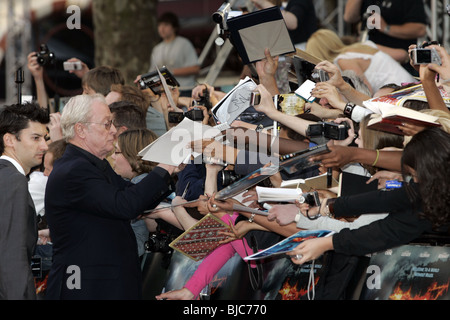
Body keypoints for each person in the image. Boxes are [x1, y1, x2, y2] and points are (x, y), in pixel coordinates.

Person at [44, 94, 177, 300]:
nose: (113, 131)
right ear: (81, 130)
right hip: (85, 285)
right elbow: (125, 205)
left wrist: (172, 175)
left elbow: (133, 195)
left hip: (103, 282)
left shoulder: (94, 165)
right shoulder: (75, 170)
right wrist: (165, 167)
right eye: (106, 124)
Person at [272, 127, 450, 266]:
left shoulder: (430, 202)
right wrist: (326, 207)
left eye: (415, 175)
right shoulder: (430, 185)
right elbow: (383, 200)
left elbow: (383, 232)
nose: (413, 181)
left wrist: (326, 244)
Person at [0, 102, 49, 300]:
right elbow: (12, 255)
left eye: (45, 138)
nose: (44, 146)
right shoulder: (13, 180)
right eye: (35, 138)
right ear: (10, 140)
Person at [305, 29, 416, 95]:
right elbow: (402, 54)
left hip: (399, 94)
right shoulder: (365, 45)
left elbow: (366, 91)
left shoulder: (343, 61)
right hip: (411, 85)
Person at [343, 0, 427, 66]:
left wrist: (386, 28)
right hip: (368, 59)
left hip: (397, 61)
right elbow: (348, 17)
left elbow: (420, 29)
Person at [147, 12, 200, 96]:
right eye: (159, 25)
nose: (162, 28)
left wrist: (170, 72)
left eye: (166, 25)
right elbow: (152, 71)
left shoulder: (184, 43)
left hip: (184, 90)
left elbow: (195, 68)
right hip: (164, 92)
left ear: (174, 27)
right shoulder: (157, 48)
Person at [251, 0, 318, 50]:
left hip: (305, 49)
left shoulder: (299, 1)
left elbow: (292, 23)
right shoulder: (280, 3)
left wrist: (263, 3)